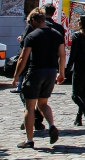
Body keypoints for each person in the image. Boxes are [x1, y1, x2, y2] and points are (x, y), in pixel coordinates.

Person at [12, 10, 65, 148]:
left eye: (30, 22)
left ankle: (29, 140)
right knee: (43, 103)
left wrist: (16, 75)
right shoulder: (57, 34)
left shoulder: (32, 36)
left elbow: (23, 58)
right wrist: (62, 72)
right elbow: (62, 55)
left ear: (35, 21)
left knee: (29, 107)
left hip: (36, 71)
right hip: (51, 72)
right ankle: (52, 125)